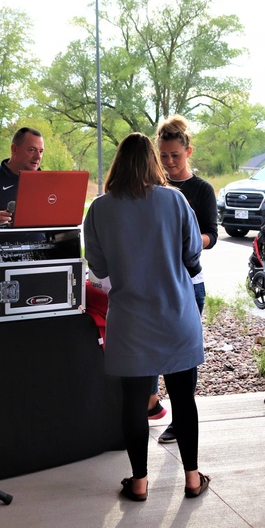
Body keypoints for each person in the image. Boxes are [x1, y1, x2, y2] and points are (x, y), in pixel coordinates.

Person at [83, 132, 210, 501]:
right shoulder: (175, 200)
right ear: (153, 162)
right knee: (184, 399)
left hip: (130, 321)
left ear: (117, 165)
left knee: (134, 403)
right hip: (177, 317)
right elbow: (192, 258)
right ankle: (191, 477)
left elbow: (99, 267)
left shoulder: (100, 209)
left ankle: (138, 481)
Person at [149, 115, 219, 443]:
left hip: (189, 283)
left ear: (188, 152)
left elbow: (211, 236)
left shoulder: (201, 189)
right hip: (152, 281)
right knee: (147, 346)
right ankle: (149, 404)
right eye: (163, 155)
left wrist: (186, 240)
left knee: (183, 356)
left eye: (175, 155)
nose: (169, 162)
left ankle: (180, 419)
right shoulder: (152, 188)